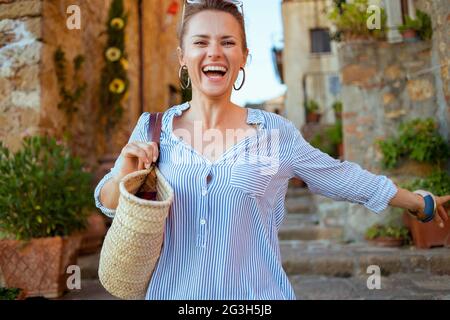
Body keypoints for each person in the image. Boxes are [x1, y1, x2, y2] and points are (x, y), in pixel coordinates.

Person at [94, 0, 450, 300]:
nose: (214, 52)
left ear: (244, 56)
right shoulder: (154, 128)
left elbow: (341, 177)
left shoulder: (275, 133)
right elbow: (107, 202)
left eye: (228, 42)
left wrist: (419, 202)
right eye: (200, 42)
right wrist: (125, 169)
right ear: (183, 57)